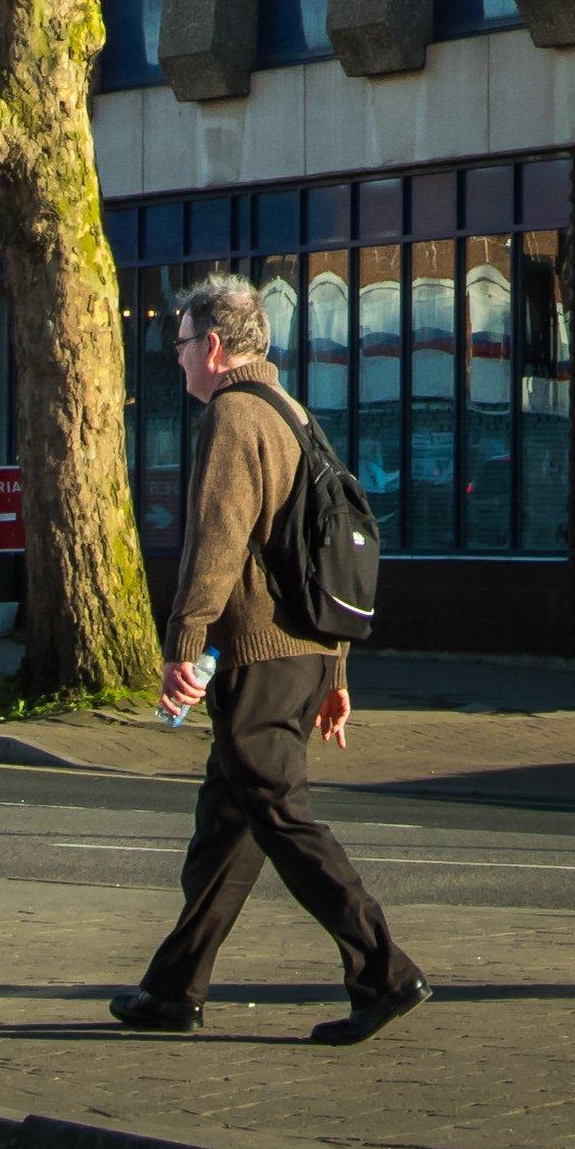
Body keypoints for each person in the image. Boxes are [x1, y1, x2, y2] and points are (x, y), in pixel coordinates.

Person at [113, 268, 416, 1042]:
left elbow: (215, 542)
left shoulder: (233, 417)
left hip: (261, 657)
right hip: (303, 654)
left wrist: (182, 644)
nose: (175, 358)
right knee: (227, 824)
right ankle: (173, 989)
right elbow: (316, 553)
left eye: (179, 343)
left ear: (213, 346)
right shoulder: (291, 411)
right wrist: (336, 670)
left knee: (278, 816)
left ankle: (383, 973)